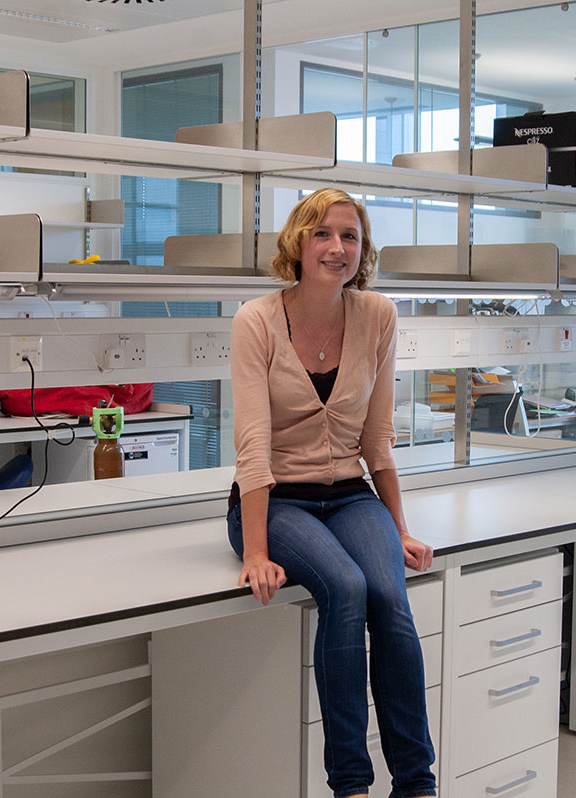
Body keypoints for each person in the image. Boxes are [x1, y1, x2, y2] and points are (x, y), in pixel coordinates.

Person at [227, 187, 438, 798]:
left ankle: (417, 784)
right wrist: (256, 552)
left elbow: (377, 438)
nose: (336, 247)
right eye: (322, 233)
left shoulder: (378, 315)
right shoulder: (256, 320)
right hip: (277, 501)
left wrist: (398, 529)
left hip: (349, 494)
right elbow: (253, 447)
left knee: (389, 595)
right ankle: (351, 786)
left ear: (363, 249)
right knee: (345, 588)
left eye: (350, 236)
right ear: (298, 242)